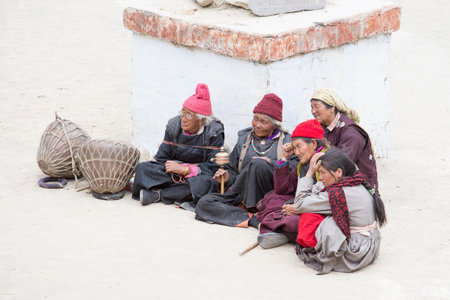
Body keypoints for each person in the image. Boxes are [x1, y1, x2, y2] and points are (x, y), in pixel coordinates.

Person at [195, 93, 297, 228]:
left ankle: (254, 212)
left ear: (275, 125)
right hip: (241, 195)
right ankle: (252, 219)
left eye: (264, 122)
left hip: (268, 198)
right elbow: (232, 169)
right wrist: (226, 178)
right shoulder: (245, 139)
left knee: (258, 163)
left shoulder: (288, 143)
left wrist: (270, 163)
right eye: (255, 119)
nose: (258, 125)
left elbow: (293, 172)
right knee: (204, 203)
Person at [294, 148, 386, 274]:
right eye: (318, 173)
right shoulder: (354, 181)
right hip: (370, 246)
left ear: (338, 172)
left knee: (313, 216)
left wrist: (310, 172)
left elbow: (300, 204)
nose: (320, 177)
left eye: (322, 172)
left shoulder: (339, 193)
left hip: (356, 252)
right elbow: (318, 189)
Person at [132, 83, 224, 207]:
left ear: (202, 120)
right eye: (183, 112)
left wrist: (186, 170)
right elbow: (161, 158)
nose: (183, 119)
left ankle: (158, 195)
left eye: (189, 115)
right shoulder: (174, 126)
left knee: (207, 183)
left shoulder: (213, 132)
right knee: (143, 168)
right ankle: (176, 193)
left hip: (196, 176)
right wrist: (175, 169)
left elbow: (213, 167)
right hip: (173, 172)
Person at [256, 119, 328, 249]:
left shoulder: (326, 162)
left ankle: (282, 231)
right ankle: (280, 229)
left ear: (313, 143)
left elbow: (328, 201)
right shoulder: (304, 163)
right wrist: (285, 158)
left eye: (299, 146)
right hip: (304, 202)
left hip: (321, 210)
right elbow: (283, 189)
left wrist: (299, 208)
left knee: (294, 220)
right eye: (294, 148)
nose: (296, 152)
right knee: (272, 197)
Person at [310, 88, 378, 190]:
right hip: (333, 183)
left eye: (317, 107)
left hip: (358, 190)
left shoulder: (351, 133)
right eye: (311, 107)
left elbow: (339, 166)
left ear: (331, 108)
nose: (313, 111)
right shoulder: (324, 128)